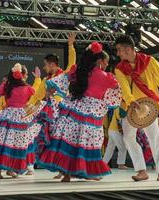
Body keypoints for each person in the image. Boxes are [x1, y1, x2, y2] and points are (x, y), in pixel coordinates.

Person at [39, 42, 122, 182]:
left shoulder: (78, 70)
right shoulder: (106, 77)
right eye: (106, 62)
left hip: (74, 109)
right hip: (91, 115)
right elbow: (116, 92)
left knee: (70, 141)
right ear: (99, 61)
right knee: (90, 143)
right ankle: (90, 172)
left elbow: (60, 81)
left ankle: (67, 174)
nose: (107, 65)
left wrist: (51, 90)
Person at [114, 35, 159, 181]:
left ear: (128, 49)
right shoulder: (120, 68)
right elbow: (124, 87)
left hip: (149, 107)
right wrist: (131, 100)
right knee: (128, 137)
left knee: (154, 138)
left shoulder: (149, 61)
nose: (118, 53)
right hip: (132, 107)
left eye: (119, 50)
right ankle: (141, 170)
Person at [0, 63, 47, 179]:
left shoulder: (7, 86)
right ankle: (11, 169)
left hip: (7, 117)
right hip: (21, 118)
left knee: (2, 143)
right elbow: (37, 98)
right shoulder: (28, 88)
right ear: (23, 75)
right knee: (16, 144)